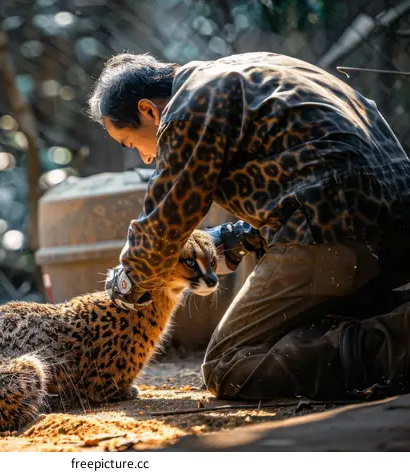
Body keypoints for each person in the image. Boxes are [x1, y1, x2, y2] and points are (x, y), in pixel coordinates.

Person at [87, 51, 410, 401]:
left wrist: (127, 280)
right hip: (392, 229)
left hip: (331, 231)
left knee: (229, 365)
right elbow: (319, 171)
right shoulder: (265, 66)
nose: (145, 157)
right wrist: (241, 237)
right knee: (297, 328)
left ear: (148, 111)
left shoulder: (187, 106)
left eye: (131, 143)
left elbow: (167, 218)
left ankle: (398, 344)